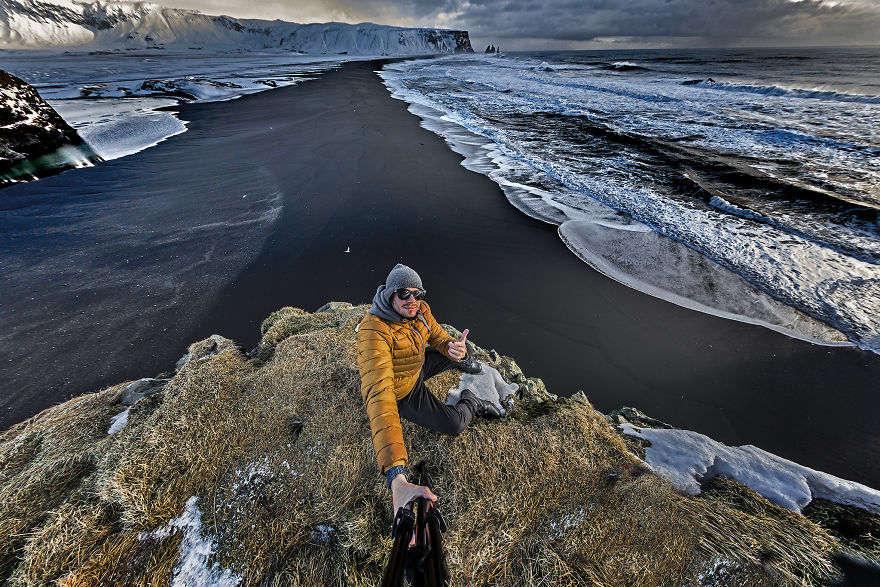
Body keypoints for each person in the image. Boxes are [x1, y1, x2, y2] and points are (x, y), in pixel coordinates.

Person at [357, 264, 502, 515]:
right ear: (390, 293)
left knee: (459, 350)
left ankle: (465, 361)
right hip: (402, 390)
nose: (412, 300)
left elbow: (437, 337)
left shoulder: (421, 311)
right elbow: (380, 399)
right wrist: (397, 476)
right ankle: (472, 401)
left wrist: (453, 349)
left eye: (418, 293)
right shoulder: (373, 331)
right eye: (404, 293)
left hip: (416, 365)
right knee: (454, 425)